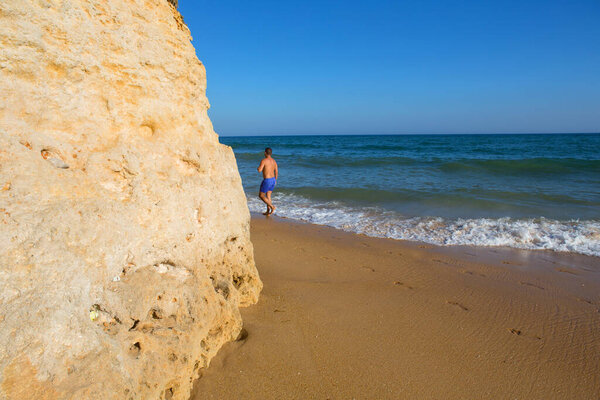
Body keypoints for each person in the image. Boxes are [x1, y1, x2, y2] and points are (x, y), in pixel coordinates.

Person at [257, 147, 278, 215]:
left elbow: (259, 170)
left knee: (261, 195)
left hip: (267, 180)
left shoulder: (264, 160)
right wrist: (275, 180)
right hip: (273, 180)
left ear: (265, 153)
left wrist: (258, 168)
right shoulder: (274, 161)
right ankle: (268, 211)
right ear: (271, 153)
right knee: (268, 195)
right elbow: (276, 171)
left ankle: (272, 207)